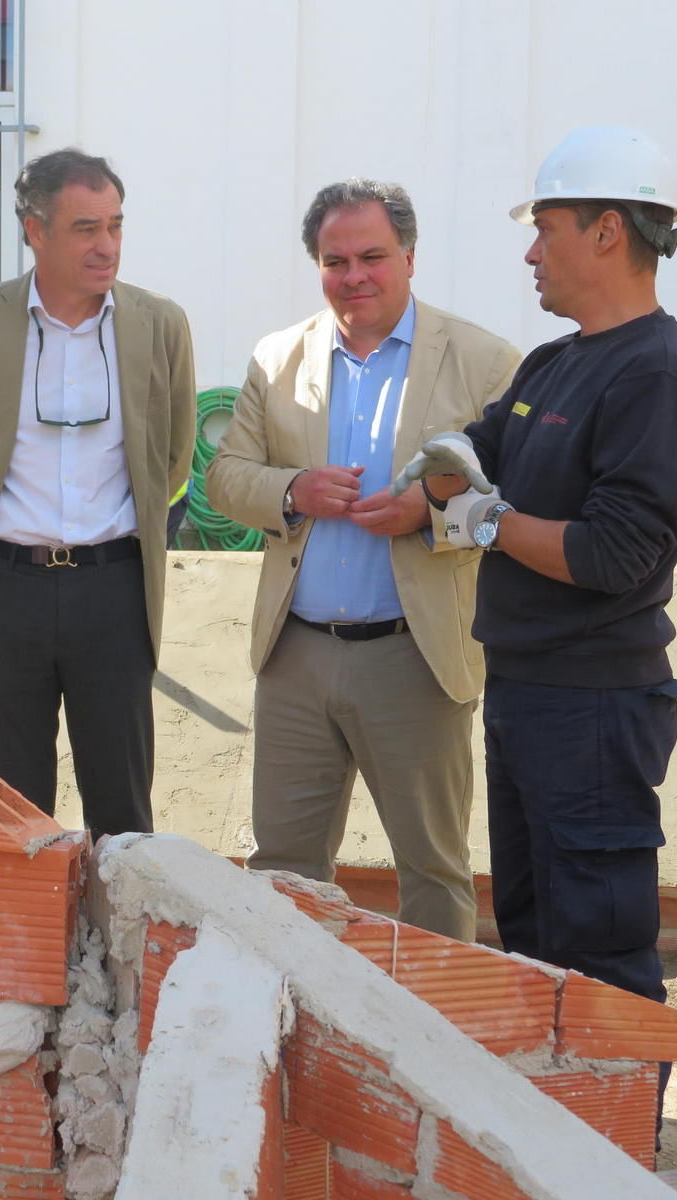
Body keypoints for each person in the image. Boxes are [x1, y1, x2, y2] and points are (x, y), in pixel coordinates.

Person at [393, 127, 677, 1002]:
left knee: (600, 951)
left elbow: (609, 553)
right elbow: (467, 458)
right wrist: (455, 468)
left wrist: (482, 515)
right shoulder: (553, 362)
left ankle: (617, 1139)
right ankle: (553, 1130)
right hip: (527, 689)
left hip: (597, 705)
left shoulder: (656, 376)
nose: (532, 254)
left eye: (547, 227)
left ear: (608, 231)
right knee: (534, 942)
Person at [205, 180, 520, 940]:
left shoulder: (484, 362)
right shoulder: (278, 358)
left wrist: (427, 513)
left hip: (414, 655)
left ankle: (437, 1040)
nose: (355, 276)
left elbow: (517, 496)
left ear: (409, 257)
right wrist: (294, 490)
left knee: (435, 868)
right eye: (335, 260)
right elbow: (223, 477)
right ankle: (288, 1028)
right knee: (282, 868)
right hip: (296, 656)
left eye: (373, 256)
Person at [0, 148, 195, 840]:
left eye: (115, 226)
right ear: (34, 230)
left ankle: (118, 945)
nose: (106, 247)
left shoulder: (159, 325)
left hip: (115, 589)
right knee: (12, 811)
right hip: (4, 590)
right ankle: (26, 948)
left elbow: (174, 454)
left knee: (123, 808)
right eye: (84, 229)